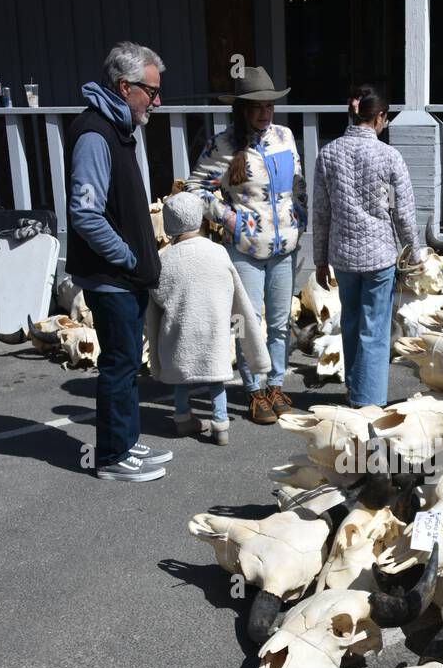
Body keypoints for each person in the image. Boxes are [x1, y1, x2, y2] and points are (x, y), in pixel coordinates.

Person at [66, 40, 169, 482]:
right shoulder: (95, 133)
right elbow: (84, 212)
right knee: (118, 365)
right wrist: (126, 256)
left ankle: (126, 442)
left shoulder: (119, 128)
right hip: (111, 277)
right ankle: (110, 456)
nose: (157, 100)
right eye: (151, 91)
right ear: (125, 87)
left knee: (127, 366)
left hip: (125, 276)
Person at [186, 67, 306, 425]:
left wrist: (299, 213)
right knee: (246, 322)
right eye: (255, 106)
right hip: (246, 249)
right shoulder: (222, 145)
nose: (263, 112)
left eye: (268, 105)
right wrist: (231, 218)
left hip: (284, 247)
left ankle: (276, 384)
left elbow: (297, 183)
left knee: (281, 323)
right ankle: (253, 390)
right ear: (240, 109)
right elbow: (196, 188)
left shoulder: (285, 137)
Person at [312, 83, 419, 410]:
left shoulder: (328, 153)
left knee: (352, 324)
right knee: (374, 331)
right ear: (380, 117)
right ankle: (369, 402)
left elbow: (320, 212)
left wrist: (319, 260)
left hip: (343, 256)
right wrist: (414, 252)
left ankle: (355, 390)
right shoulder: (389, 156)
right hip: (379, 256)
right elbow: (403, 212)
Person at [145, 192, 270, 445]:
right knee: (215, 381)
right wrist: (246, 337)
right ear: (199, 218)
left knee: (181, 380)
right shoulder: (218, 253)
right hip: (213, 332)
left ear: (169, 223)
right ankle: (220, 424)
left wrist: (155, 354)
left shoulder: (163, 259)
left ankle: (182, 418)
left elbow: (154, 306)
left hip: (178, 334)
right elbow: (238, 302)